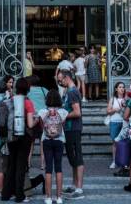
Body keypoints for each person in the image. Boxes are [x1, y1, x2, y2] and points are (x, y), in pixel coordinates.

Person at [1, 78, 38, 203]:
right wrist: (37, 119)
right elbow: (30, 124)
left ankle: (5, 194)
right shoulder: (28, 102)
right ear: (27, 88)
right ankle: (19, 195)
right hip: (24, 137)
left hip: (11, 136)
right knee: (21, 166)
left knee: (11, 165)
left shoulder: (10, 100)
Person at [38, 89, 68, 204]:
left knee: (48, 169)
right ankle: (59, 197)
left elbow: (42, 127)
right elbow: (62, 126)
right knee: (59, 168)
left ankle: (48, 197)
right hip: (59, 140)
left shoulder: (42, 111)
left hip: (46, 140)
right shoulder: (63, 112)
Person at [59, 69, 85, 200]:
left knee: (77, 157)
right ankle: (75, 185)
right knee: (72, 158)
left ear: (67, 78)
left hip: (73, 128)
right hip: (69, 129)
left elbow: (77, 112)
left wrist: (63, 116)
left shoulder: (73, 92)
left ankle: (79, 189)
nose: (60, 82)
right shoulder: (69, 91)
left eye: (61, 79)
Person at [106, 82, 127, 169]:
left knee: (124, 142)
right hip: (114, 122)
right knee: (115, 142)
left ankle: (124, 161)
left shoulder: (126, 99)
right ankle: (114, 161)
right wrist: (115, 109)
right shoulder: (113, 99)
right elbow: (108, 111)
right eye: (120, 87)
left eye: (123, 87)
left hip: (124, 122)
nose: (122, 89)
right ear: (116, 89)